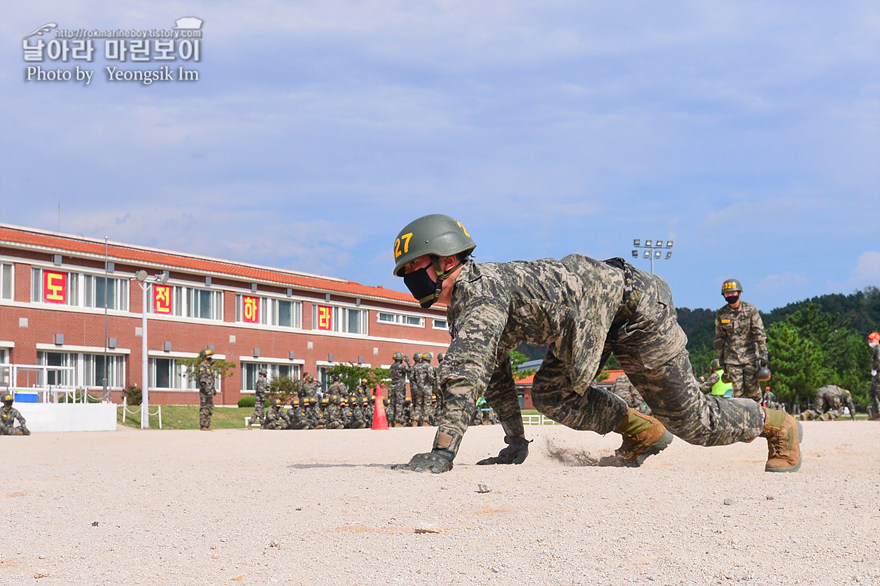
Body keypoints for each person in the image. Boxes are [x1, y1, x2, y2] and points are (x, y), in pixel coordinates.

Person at [390, 214, 802, 474]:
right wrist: (515, 442)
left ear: (446, 260)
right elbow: (495, 376)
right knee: (551, 395)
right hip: (593, 324)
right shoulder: (465, 305)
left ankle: (777, 425)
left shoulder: (481, 294)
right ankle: (642, 432)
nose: (410, 279)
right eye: (405, 272)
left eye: (414, 268)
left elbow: (466, 376)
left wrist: (442, 454)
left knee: (693, 421)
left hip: (635, 309)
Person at [714, 279, 768, 402]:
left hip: (750, 357)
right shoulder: (722, 313)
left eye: (733, 293)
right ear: (724, 295)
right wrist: (720, 358)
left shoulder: (750, 310)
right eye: (727, 294)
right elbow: (719, 338)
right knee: (737, 392)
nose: (730, 295)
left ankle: (760, 415)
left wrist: (764, 351)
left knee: (752, 388)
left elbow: (758, 332)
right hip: (731, 359)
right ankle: (742, 418)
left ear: (739, 292)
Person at [411, 352, 436, 426]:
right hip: (427, 388)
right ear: (428, 359)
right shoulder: (428, 366)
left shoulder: (416, 366)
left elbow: (412, 377)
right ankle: (425, 421)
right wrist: (432, 383)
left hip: (418, 388)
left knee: (418, 404)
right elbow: (431, 377)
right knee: (427, 404)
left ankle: (415, 420)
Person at [388, 352, 410, 427]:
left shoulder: (391, 366)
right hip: (399, 386)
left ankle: (391, 421)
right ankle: (398, 421)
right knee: (399, 404)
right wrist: (408, 362)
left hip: (392, 386)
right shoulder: (401, 366)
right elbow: (410, 370)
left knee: (392, 404)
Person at [198, 349, 216, 431]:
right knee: (204, 407)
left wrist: (213, 389)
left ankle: (207, 425)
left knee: (209, 408)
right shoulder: (202, 366)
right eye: (208, 356)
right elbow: (203, 380)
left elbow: (210, 380)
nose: (210, 357)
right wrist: (207, 389)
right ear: (204, 357)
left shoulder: (209, 366)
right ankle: (203, 425)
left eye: (210, 356)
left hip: (210, 390)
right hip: (204, 392)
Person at [868, 332, 880, 421]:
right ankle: (876, 413)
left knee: (878, 392)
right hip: (876, 374)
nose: (869, 341)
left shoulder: (878, 349)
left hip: (878, 373)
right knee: (872, 392)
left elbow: (879, 360)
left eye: (871, 340)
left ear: (877, 340)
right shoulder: (875, 349)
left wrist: (875, 369)